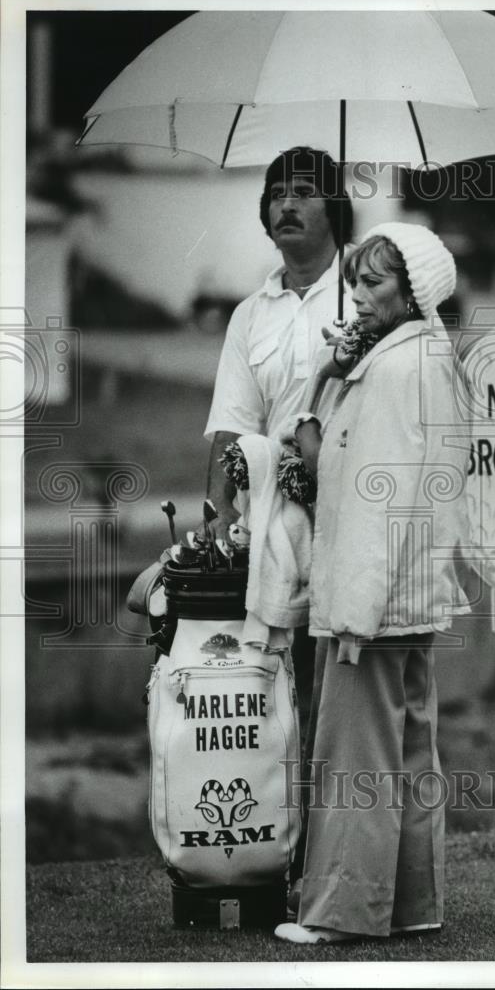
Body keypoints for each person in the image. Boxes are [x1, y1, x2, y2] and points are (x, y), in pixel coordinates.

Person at [274, 222, 470, 945]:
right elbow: (335, 466)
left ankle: (340, 914)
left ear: (413, 292)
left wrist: (352, 613)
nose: (356, 293)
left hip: (374, 600)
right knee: (409, 750)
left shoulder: (397, 370)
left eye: (373, 281)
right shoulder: (415, 360)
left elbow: (376, 503)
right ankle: (412, 905)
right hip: (407, 595)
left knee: (356, 755)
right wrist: (327, 374)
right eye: (355, 279)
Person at [203, 145, 353, 890]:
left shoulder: (365, 297)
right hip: (277, 529)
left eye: (305, 192)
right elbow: (231, 430)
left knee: (346, 699)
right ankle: (284, 861)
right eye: (276, 194)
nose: (287, 205)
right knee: (282, 696)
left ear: (335, 210)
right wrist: (221, 522)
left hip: (357, 524)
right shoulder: (249, 315)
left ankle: (347, 865)